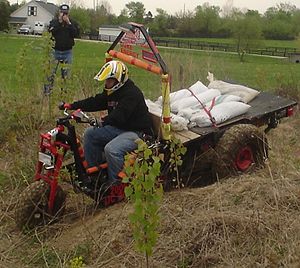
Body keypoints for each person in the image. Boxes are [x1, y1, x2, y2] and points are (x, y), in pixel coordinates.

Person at [61, 60, 153, 185]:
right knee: (90, 134)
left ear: (118, 80)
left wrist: (102, 121)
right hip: (120, 129)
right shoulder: (112, 91)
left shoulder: (132, 94)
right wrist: (72, 105)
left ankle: (116, 184)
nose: (106, 83)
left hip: (137, 133)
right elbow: (96, 101)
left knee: (112, 149)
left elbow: (120, 115)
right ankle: (96, 175)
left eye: (109, 80)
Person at [48, 4, 79, 76]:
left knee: (66, 75)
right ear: (59, 12)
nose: (64, 15)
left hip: (67, 52)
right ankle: (48, 87)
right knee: (50, 74)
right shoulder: (54, 22)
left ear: (68, 13)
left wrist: (69, 24)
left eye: (66, 13)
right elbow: (50, 32)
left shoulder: (72, 23)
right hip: (55, 51)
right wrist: (59, 22)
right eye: (62, 13)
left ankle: (64, 87)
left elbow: (76, 34)